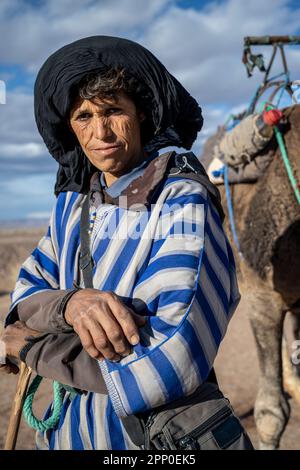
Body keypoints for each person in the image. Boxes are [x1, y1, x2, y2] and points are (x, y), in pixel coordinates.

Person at [0, 36, 253, 450]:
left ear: (141, 114)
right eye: (83, 116)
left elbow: (171, 359)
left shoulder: (181, 200)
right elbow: (27, 291)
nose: (100, 131)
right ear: (69, 127)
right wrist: (72, 305)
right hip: (73, 435)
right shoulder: (71, 205)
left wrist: (28, 344)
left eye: (113, 111)